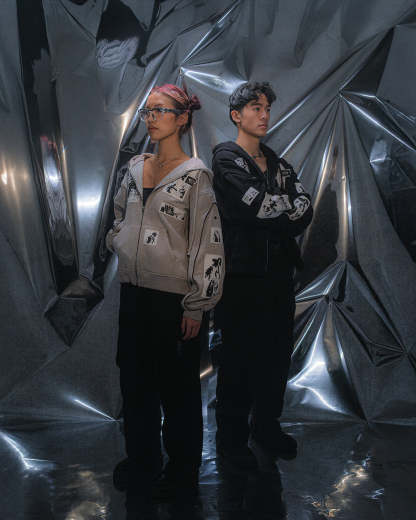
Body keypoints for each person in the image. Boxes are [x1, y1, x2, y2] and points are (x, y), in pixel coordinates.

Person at [106, 84, 224, 516]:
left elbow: (209, 243)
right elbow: (119, 216)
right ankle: (142, 462)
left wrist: (197, 304)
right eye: (148, 111)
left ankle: (181, 474)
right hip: (134, 295)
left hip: (175, 302)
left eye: (161, 110)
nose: (151, 118)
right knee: (135, 386)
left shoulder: (196, 175)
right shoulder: (136, 167)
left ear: (182, 118)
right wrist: (120, 241)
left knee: (177, 393)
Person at [212, 81, 313, 470]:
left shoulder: (279, 163)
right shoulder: (227, 158)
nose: (264, 114)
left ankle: (267, 427)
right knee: (238, 359)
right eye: (256, 108)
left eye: (267, 108)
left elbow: (304, 210)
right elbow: (254, 208)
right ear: (236, 115)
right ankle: (231, 438)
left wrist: (277, 208)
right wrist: (282, 208)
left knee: (275, 357)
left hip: (279, 278)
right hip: (241, 278)